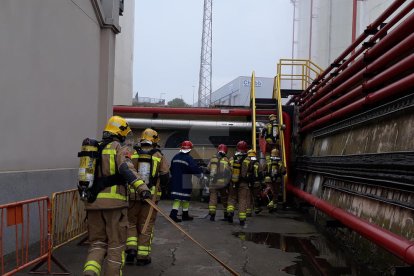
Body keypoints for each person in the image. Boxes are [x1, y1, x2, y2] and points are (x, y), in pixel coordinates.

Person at [83, 116, 150, 276]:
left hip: (92, 204)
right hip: (115, 206)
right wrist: (143, 188)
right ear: (120, 133)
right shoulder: (117, 148)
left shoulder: (94, 149)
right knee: (115, 245)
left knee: (97, 244)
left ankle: (90, 272)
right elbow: (126, 169)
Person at [125, 128, 170, 266]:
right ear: (155, 140)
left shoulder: (133, 153)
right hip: (150, 198)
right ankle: (142, 257)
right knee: (146, 224)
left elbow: (127, 172)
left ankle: (131, 250)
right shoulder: (158, 155)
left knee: (131, 223)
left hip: (133, 195)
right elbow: (165, 176)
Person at [169, 140, 202, 222]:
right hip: (186, 180)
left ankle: (185, 215)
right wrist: (201, 175)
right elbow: (194, 169)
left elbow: (171, 168)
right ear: (190, 149)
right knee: (181, 198)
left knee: (183, 198)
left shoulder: (175, 157)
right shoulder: (189, 159)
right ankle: (173, 215)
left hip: (176, 180)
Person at [226, 141, 249, 226]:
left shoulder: (232, 159)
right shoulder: (247, 159)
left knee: (232, 198)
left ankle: (230, 213)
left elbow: (227, 171)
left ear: (237, 148)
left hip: (233, 182)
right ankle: (242, 219)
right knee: (242, 200)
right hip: (244, 183)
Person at [207, 144, 231, 221]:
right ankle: (226, 215)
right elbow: (229, 171)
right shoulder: (227, 160)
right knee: (224, 198)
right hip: (223, 183)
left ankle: (212, 215)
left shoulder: (213, 158)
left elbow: (208, 169)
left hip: (212, 182)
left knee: (213, 198)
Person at [264, 148, 286, 212]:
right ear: (278, 154)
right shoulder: (280, 161)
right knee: (275, 193)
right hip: (277, 180)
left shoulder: (268, 161)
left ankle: (270, 204)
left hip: (268, 179)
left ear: (271, 153)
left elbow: (263, 168)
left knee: (270, 192)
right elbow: (283, 171)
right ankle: (274, 206)